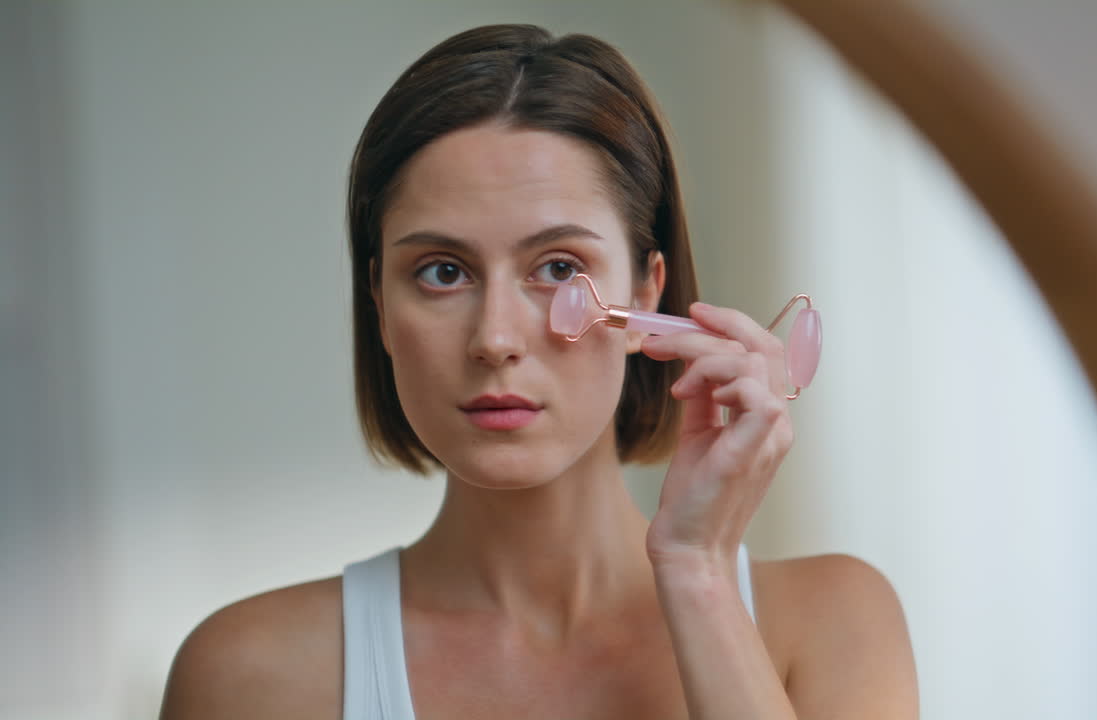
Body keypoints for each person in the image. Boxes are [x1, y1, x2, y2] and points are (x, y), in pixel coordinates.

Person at [158, 24, 916, 719]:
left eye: (558, 267)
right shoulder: (250, 675)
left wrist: (699, 573)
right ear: (379, 308)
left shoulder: (835, 623)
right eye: (442, 272)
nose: (494, 339)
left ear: (649, 295)